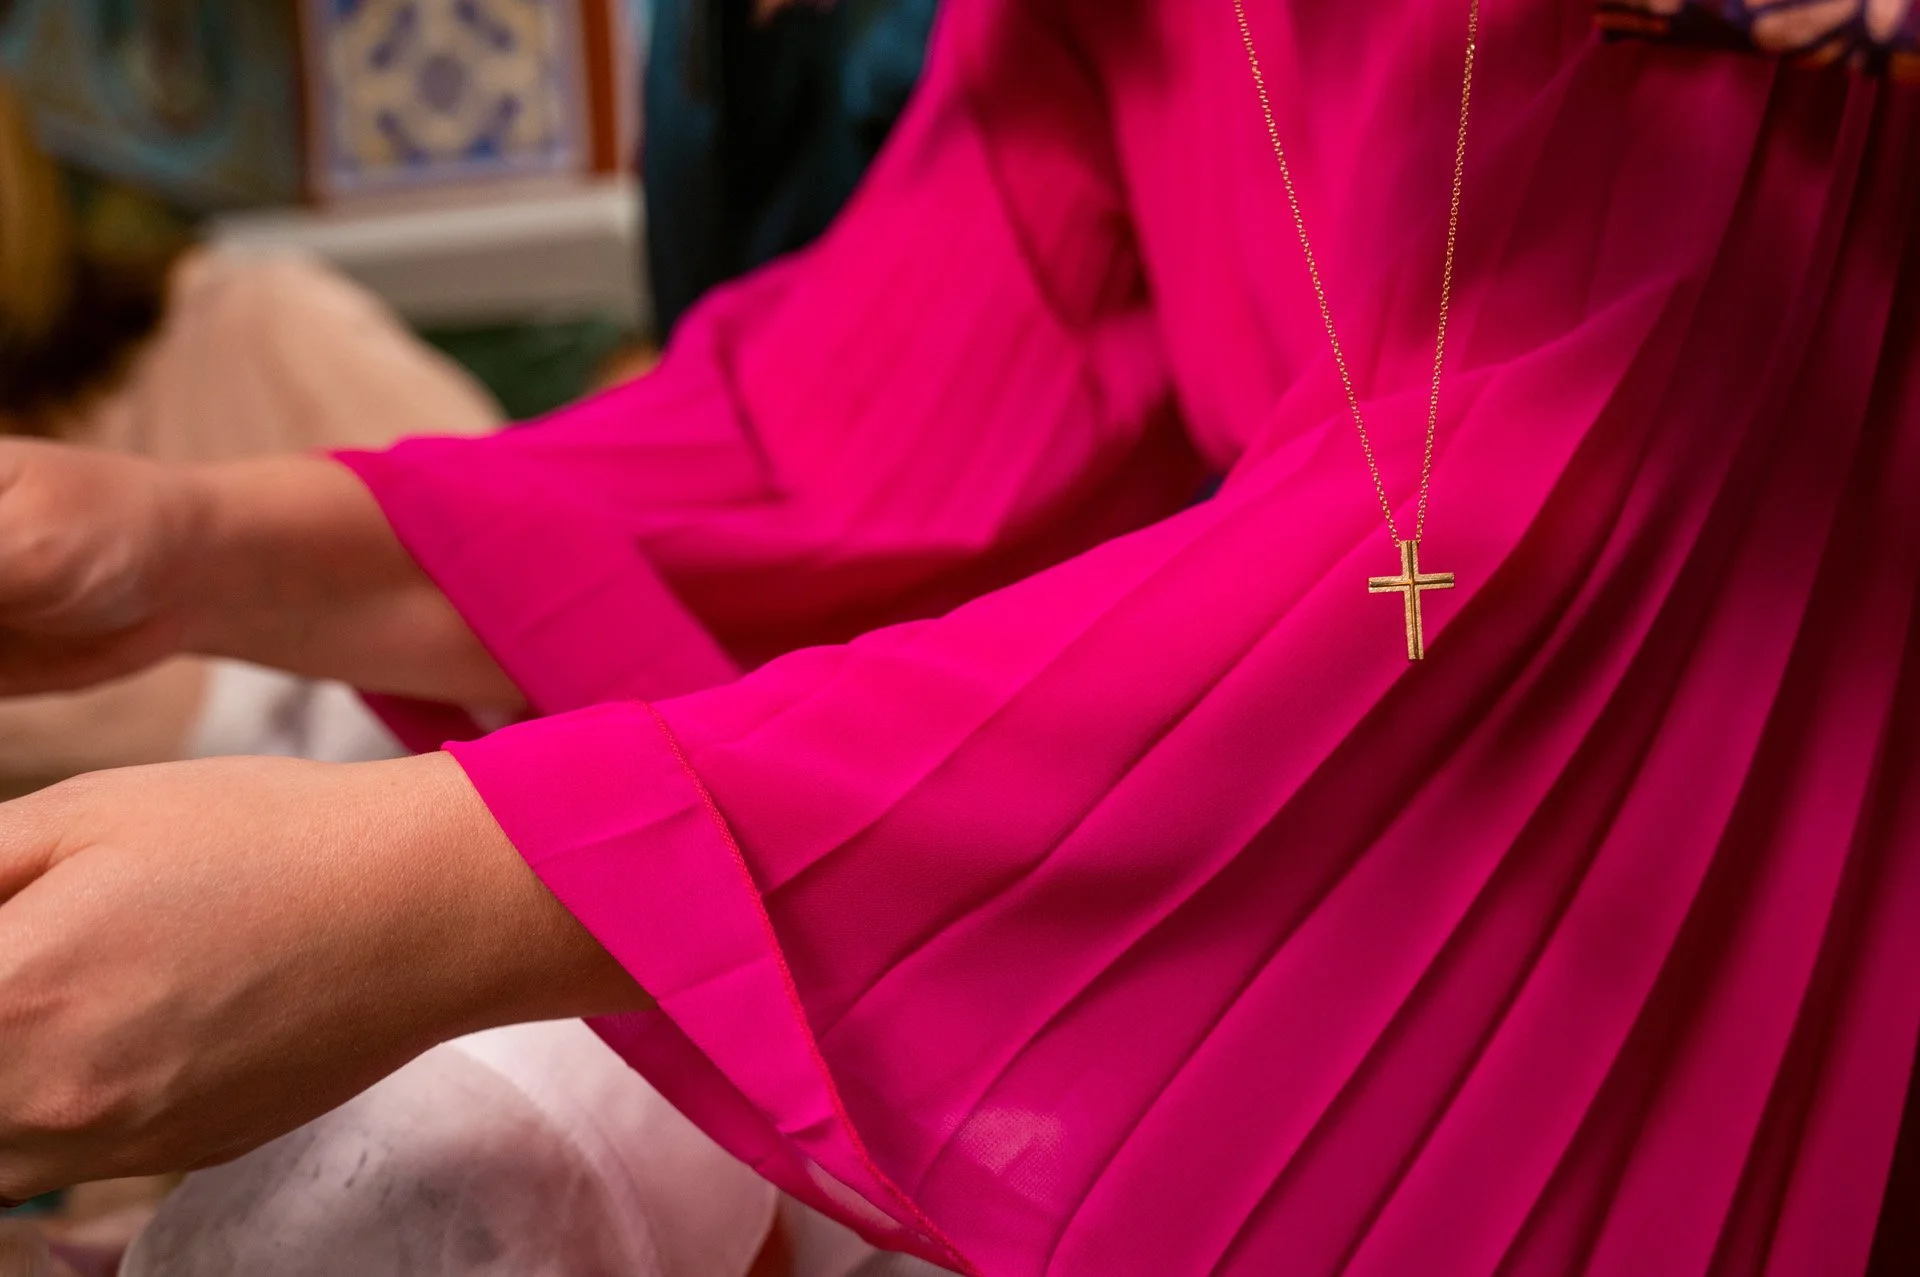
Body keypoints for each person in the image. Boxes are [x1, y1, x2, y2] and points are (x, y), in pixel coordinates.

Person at [0, 1, 1916, 1273]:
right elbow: (859, 438)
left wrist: (445, 888)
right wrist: (184, 542)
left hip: (1681, 920)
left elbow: (1505, 548)